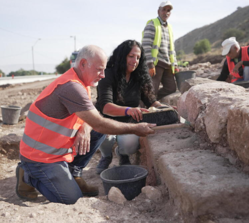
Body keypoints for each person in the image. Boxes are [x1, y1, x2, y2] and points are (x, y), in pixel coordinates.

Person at [16, 45, 156, 205]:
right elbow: (99, 123)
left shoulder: (82, 83)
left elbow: (93, 116)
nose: (103, 75)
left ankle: (73, 172)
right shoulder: (71, 87)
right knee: (71, 198)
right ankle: (28, 175)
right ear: (83, 64)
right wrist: (136, 128)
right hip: (40, 157)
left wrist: (84, 128)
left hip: (57, 150)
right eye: (99, 70)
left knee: (96, 132)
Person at [95, 40, 168, 174]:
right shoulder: (107, 74)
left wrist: (165, 108)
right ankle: (106, 156)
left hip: (129, 122)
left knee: (129, 144)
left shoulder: (139, 76)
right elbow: (105, 107)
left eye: (138, 58)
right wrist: (129, 110)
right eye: (131, 56)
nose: (135, 61)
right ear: (122, 56)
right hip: (107, 120)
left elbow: (151, 101)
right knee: (101, 134)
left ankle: (122, 153)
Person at [142, 0, 178, 101]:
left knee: (171, 88)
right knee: (151, 90)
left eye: (168, 10)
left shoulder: (169, 27)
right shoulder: (152, 24)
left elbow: (172, 48)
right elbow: (145, 46)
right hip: (156, 64)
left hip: (167, 64)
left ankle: (154, 101)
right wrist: (150, 65)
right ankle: (145, 111)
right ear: (158, 11)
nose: (166, 12)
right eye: (164, 10)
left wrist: (174, 64)